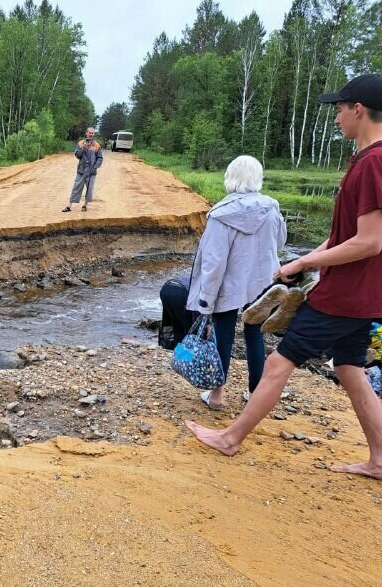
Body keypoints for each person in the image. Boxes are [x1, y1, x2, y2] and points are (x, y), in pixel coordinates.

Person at [186, 73, 382, 480]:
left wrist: (300, 265)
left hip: (343, 294)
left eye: (340, 109)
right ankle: (380, 458)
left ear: (358, 110)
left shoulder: (373, 163)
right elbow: (342, 235)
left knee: (279, 362)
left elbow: (369, 242)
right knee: (350, 370)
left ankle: (230, 438)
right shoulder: (366, 159)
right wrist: (306, 258)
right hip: (365, 293)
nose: (336, 117)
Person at [186, 155, 287, 410]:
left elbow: (213, 262)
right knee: (254, 334)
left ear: (230, 177)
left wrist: (205, 301)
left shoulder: (221, 214)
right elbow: (281, 242)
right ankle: (255, 395)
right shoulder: (271, 207)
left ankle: (217, 395)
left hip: (228, 285)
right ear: (258, 178)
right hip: (262, 280)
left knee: (224, 335)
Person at [62, 127, 102, 213]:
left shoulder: (97, 145)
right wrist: (83, 149)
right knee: (76, 187)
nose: (91, 134)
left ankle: (85, 205)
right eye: (89, 133)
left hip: (91, 172)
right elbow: (77, 155)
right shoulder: (80, 143)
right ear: (86, 133)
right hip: (81, 170)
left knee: (89, 189)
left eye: (92, 133)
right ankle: (69, 205)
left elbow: (100, 158)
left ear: (94, 134)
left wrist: (95, 167)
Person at [158, 274, 196, 349]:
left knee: (177, 325)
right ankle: (188, 356)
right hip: (179, 292)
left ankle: (177, 352)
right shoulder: (208, 281)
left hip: (166, 288)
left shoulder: (194, 274)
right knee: (189, 330)